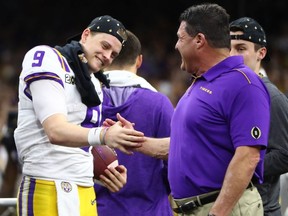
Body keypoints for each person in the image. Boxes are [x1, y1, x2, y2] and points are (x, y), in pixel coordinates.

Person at [13, 15, 146, 216]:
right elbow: (55, 131)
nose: (108, 56)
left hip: (84, 187)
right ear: (85, 35)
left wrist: (107, 168)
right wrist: (104, 135)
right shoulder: (47, 57)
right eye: (105, 45)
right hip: (47, 182)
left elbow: (82, 141)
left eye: (114, 54)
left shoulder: (93, 81)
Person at [168, 3, 270, 216]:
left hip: (223, 208)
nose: (176, 45)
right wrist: (134, 140)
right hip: (196, 208)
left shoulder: (243, 83)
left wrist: (217, 213)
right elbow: (186, 143)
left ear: (199, 40)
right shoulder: (200, 81)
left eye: (180, 37)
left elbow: (248, 156)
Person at [94, 30, 174, 216]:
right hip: (150, 209)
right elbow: (177, 163)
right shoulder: (159, 103)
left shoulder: (82, 101)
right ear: (139, 61)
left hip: (94, 209)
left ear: (106, 58)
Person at [230, 16, 288, 216]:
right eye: (228, 48)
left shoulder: (272, 97)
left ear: (261, 53)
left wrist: (241, 165)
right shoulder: (230, 93)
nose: (232, 55)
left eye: (241, 48)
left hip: (262, 209)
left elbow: (285, 155)